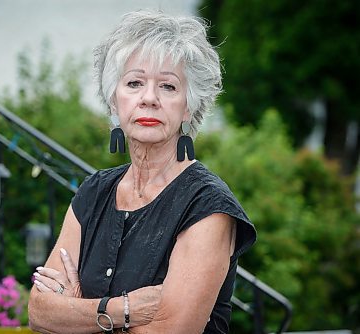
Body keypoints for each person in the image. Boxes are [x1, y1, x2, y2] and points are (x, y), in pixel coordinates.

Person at [27, 9, 256, 334]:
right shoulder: (94, 193)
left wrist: (77, 308)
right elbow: (39, 313)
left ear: (188, 105)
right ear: (114, 99)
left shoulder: (207, 208)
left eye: (167, 86)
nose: (149, 98)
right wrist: (123, 310)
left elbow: (170, 331)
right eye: (134, 82)